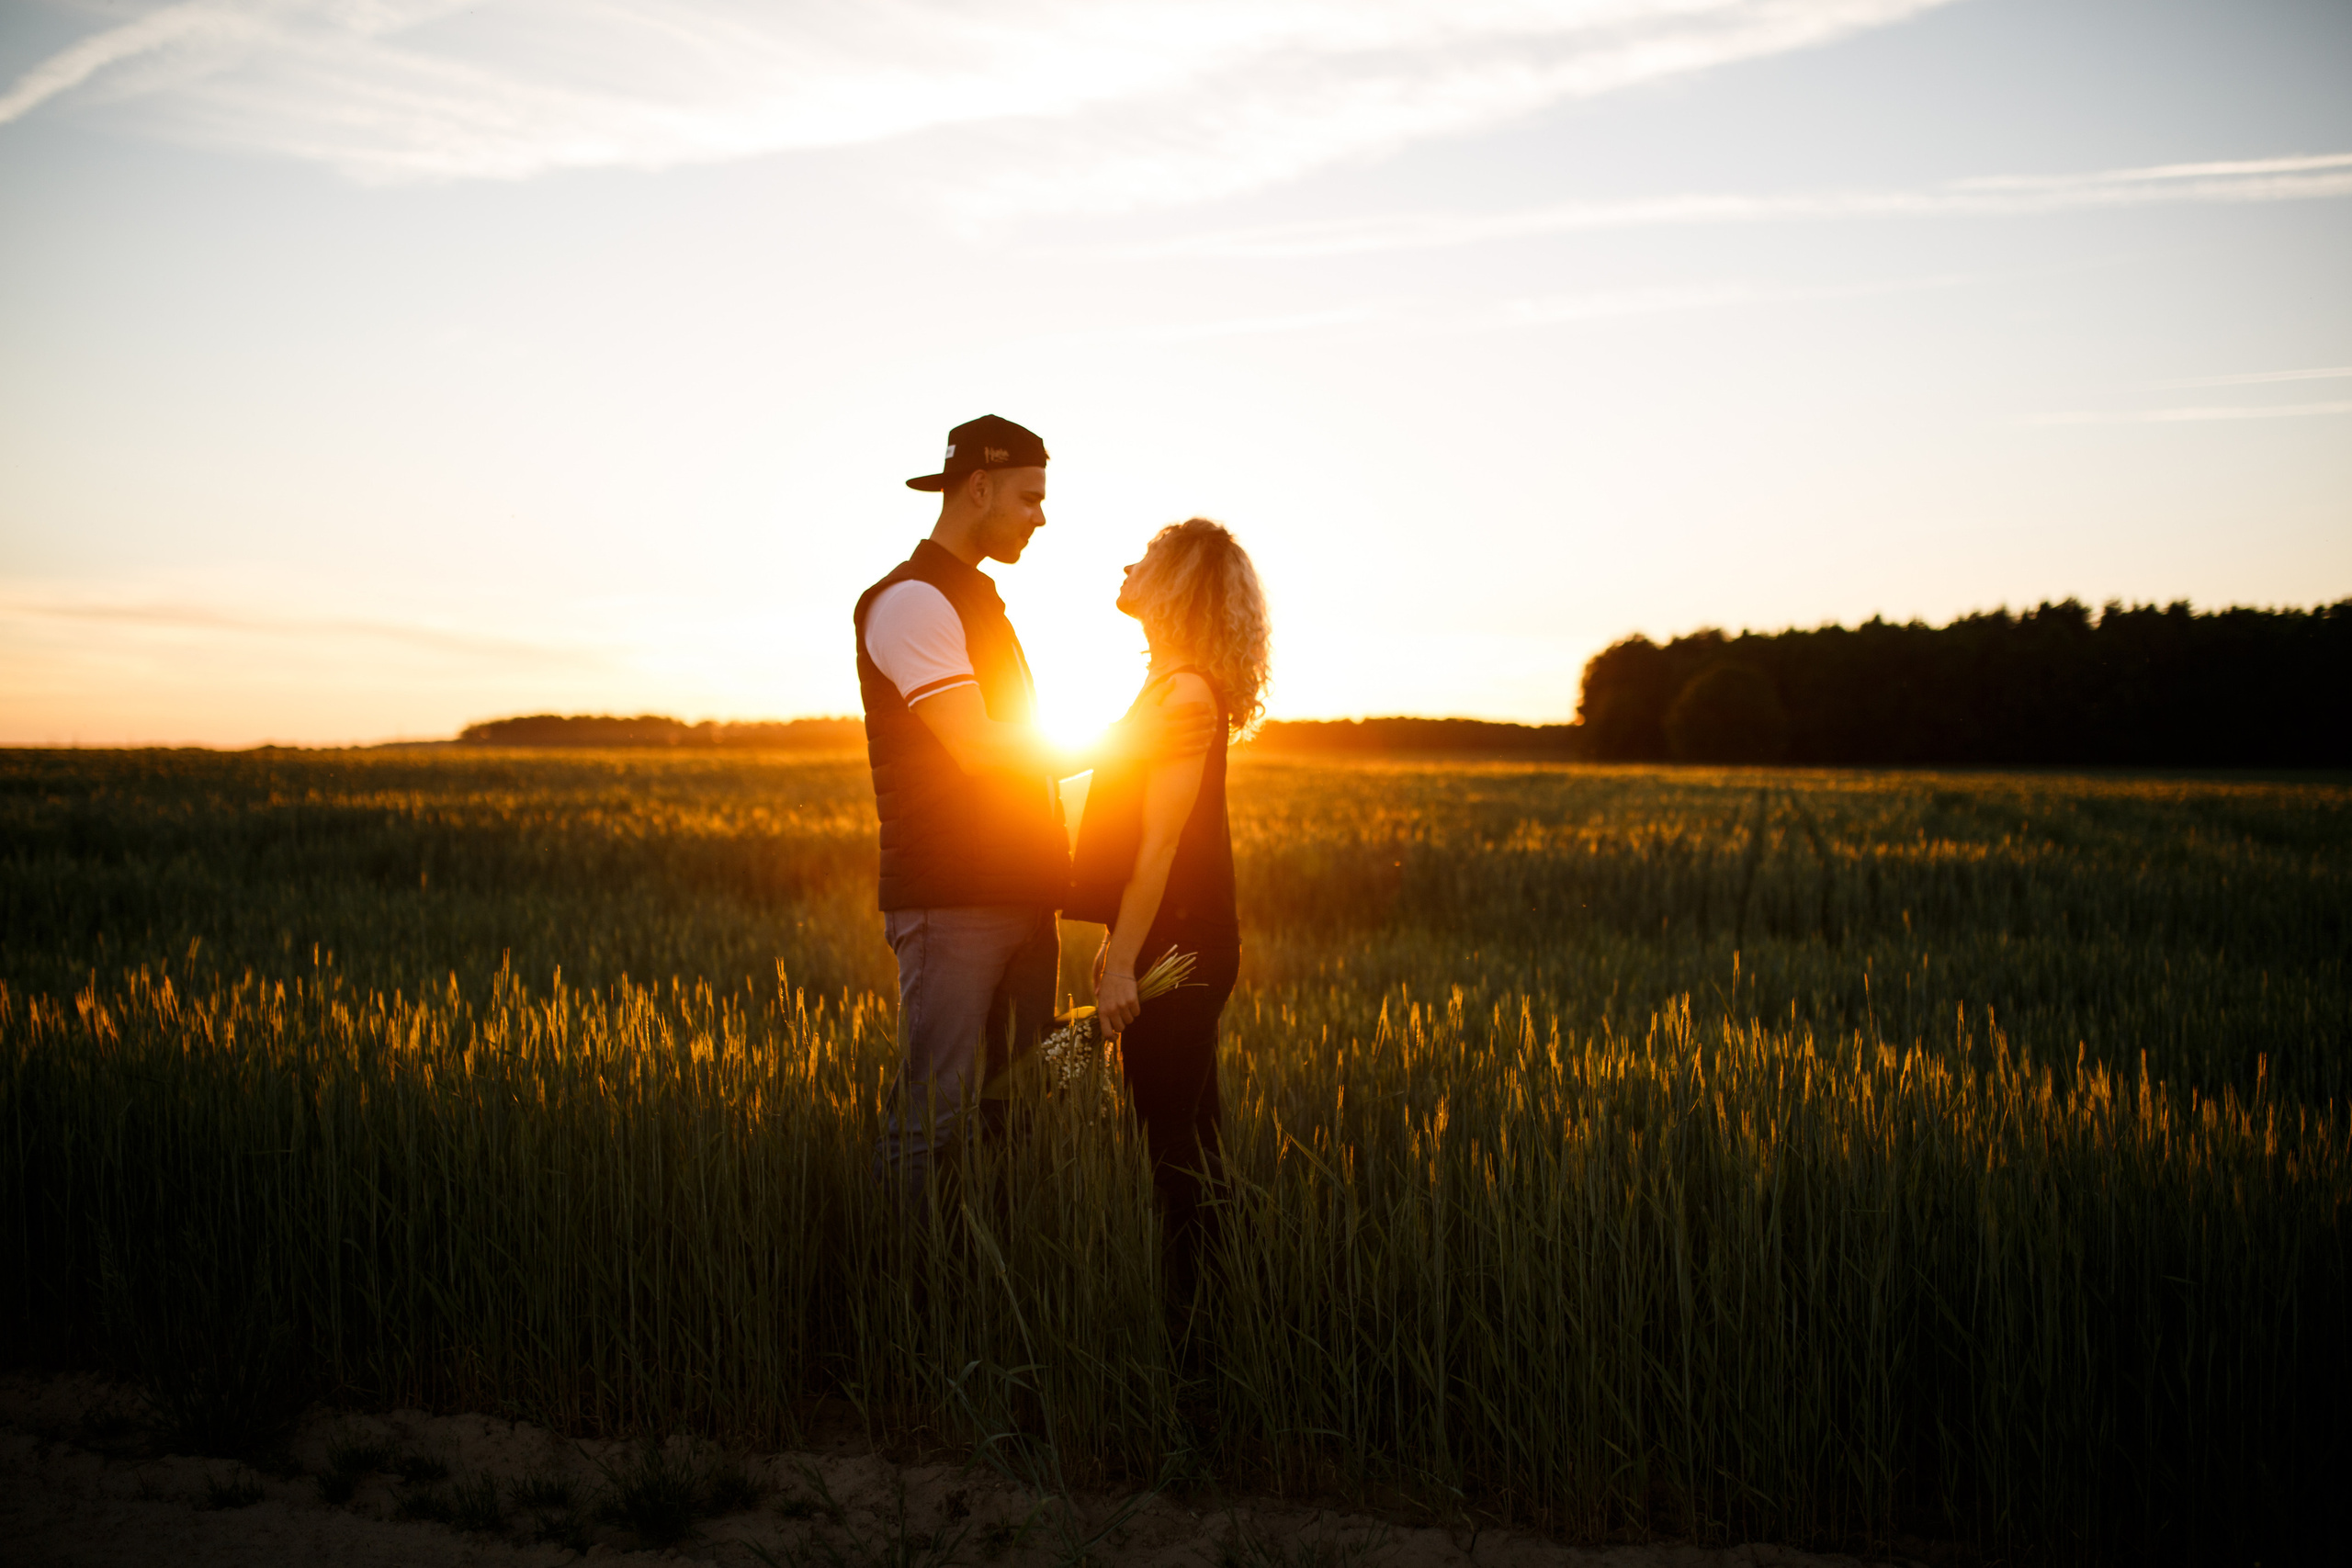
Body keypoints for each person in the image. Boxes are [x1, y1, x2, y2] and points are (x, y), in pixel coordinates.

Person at [854, 415, 1214, 1197]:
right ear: (977, 487)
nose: (1041, 516)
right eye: (1029, 497)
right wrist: (1129, 738)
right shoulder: (911, 602)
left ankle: (979, 1282)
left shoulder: (983, 605)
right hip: (952, 901)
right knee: (932, 1114)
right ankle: (896, 1298)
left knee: (1011, 1110)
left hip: (1021, 898)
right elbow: (982, 748)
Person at [1065, 518, 1270, 1303]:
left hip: (1182, 947)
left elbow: (1160, 848)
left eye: (1147, 557)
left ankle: (1199, 1349)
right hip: (1174, 938)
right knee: (1197, 1145)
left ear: (1178, 583)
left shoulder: (1183, 691)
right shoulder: (1170, 686)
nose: (1128, 562)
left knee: (1172, 1149)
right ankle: (1232, 1319)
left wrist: (1123, 961)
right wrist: (1120, 941)